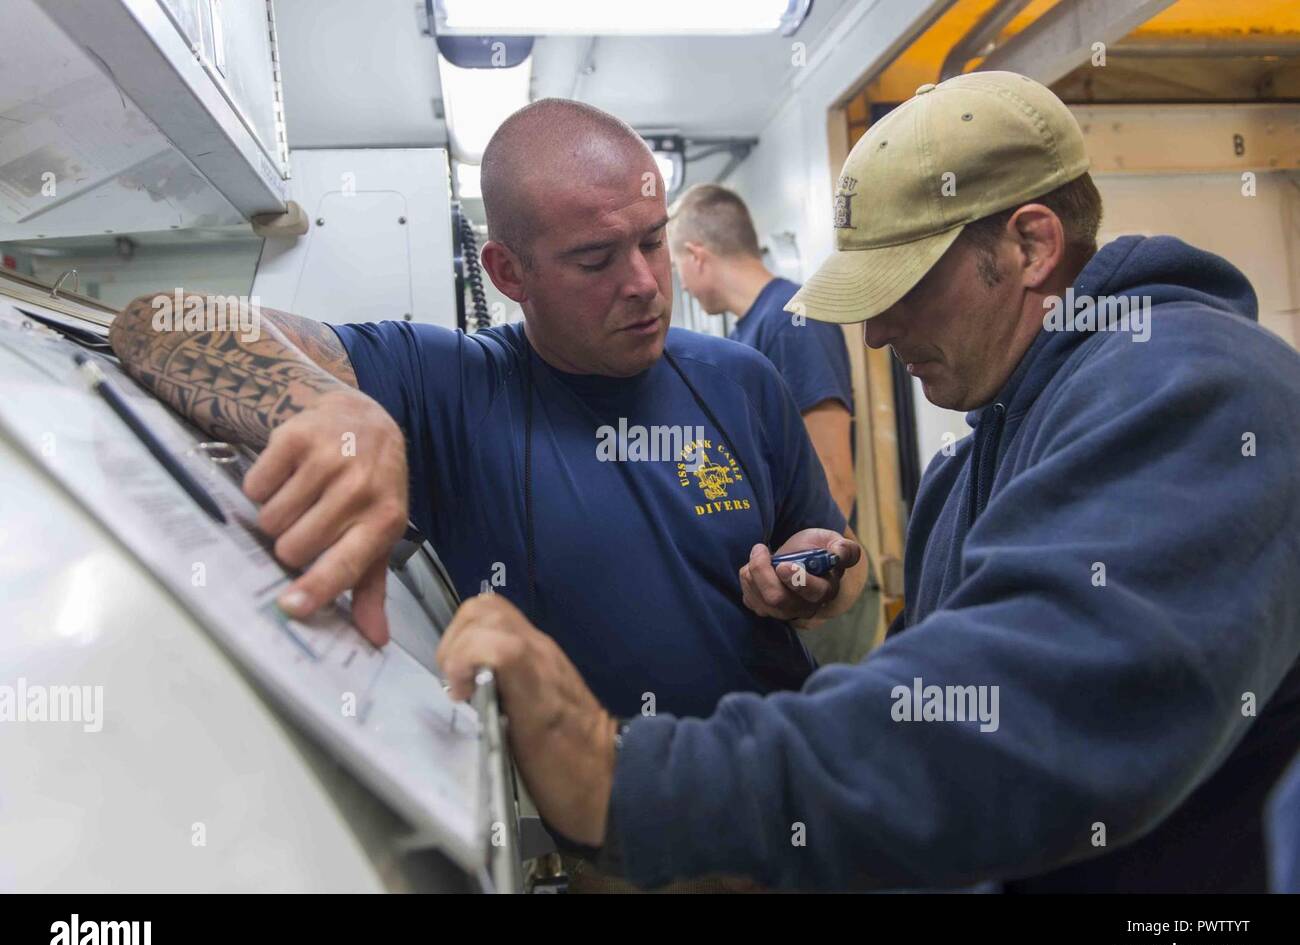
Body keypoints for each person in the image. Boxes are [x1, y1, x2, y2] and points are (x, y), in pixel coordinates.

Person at [435, 71, 1300, 892]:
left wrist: (625, 780)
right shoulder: (969, 465)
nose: (878, 332)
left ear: (1031, 244)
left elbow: (1024, 720)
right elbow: (935, 723)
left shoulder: (1195, 388)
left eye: (905, 286)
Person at [107, 97, 868, 728]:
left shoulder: (742, 379)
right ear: (508, 272)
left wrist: (818, 577)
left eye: (652, 241)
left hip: (785, 799)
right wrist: (329, 405)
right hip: (622, 838)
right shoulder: (451, 387)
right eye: (596, 259)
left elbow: (830, 566)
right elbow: (155, 321)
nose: (642, 282)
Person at [669, 184, 878, 664]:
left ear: (697, 256)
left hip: (820, 600)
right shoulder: (745, 337)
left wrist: (806, 586)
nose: (680, 282)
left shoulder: (792, 323)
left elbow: (833, 477)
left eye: (678, 265)